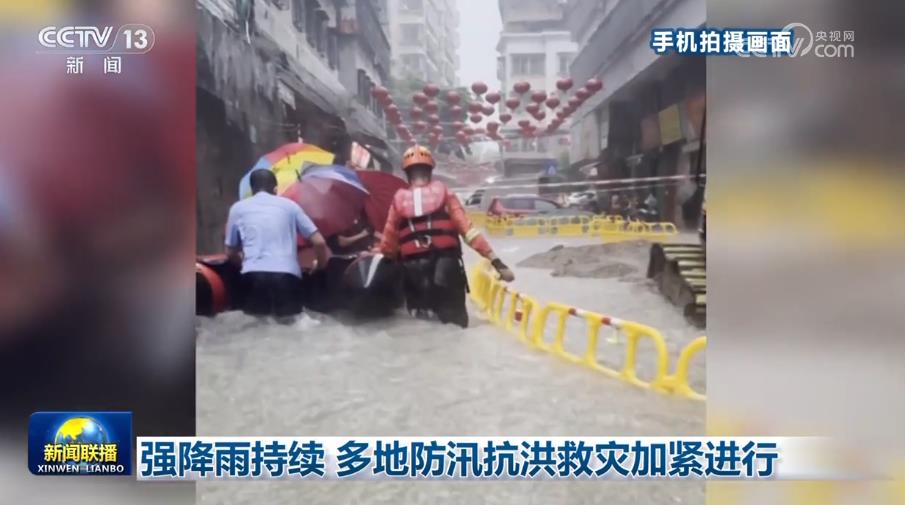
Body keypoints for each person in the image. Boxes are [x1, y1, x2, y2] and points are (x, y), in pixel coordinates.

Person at [376, 145, 514, 328]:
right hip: (446, 268)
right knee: (455, 328)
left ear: (407, 173)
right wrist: (497, 262)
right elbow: (469, 232)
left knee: (421, 328)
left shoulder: (398, 200)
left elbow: (388, 244)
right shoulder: (446, 194)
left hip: (412, 273)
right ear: (430, 171)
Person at [225, 169, 329, 321]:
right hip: (287, 277)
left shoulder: (237, 208)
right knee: (291, 327)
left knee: (257, 327)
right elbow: (319, 242)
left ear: (251, 190)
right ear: (275, 189)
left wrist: (244, 263)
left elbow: (230, 252)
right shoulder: (291, 206)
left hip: (253, 276)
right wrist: (320, 265)